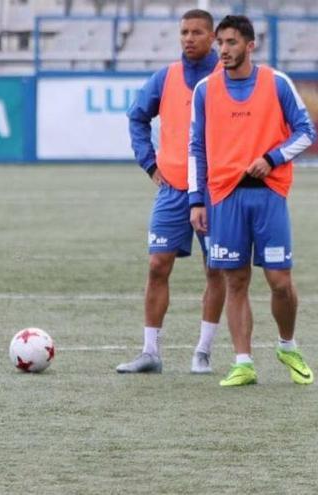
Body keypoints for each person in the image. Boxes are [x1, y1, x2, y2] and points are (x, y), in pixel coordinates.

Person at [189, 15, 317, 387]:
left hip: (269, 195)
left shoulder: (276, 83)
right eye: (220, 44)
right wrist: (197, 199)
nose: (224, 51)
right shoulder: (205, 90)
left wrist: (272, 158)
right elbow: (196, 147)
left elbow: (306, 132)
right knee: (235, 281)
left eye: (231, 43)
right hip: (224, 198)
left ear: (250, 45)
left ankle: (287, 344)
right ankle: (243, 361)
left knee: (279, 281)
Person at [117, 9, 225, 374]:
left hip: (215, 191)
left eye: (197, 32)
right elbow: (136, 116)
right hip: (173, 189)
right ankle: (151, 352)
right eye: (183, 32)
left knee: (216, 269)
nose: (188, 38)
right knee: (157, 265)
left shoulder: (226, 77)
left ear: (213, 37)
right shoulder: (167, 77)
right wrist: (149, 163)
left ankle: (203, 352)